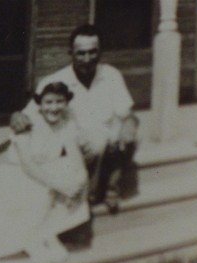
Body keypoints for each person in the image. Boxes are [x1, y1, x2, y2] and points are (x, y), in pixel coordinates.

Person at [11, 23, 139, 214]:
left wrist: (129, 126)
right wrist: (16, 117)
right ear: (70, 52)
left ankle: (111, 188)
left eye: (92, 52)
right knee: (98, 141)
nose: (87, 59)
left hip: (105, 142)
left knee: (126, 137)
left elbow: (128, 113)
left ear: (100, 52)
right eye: (81, 53)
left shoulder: (111, 75)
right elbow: (27, 114)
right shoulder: (55, 81)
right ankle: (90, 196)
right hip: (73, 144)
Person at [0, 82, 89, 263]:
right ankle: (32, 240)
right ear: (39, 103)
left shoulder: (66, 121)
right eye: (48, 102)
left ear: (66, 102)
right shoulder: (26, 122)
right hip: (19, 174)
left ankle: (49, 232)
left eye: (59, 101)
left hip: (47, 170)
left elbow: (76, 158)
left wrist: (79, 181)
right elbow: (28, 165)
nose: (54, 108)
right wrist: (62, 186)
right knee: (42, 189)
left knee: (75, 178)